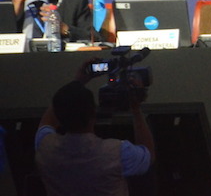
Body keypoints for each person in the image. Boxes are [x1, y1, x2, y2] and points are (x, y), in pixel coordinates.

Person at [35, 59, 154, 196]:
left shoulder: (45, 147)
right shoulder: (117, 153)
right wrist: (136, 108)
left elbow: (49, 118)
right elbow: (148, 155)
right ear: (93, 113)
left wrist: (77, 83)